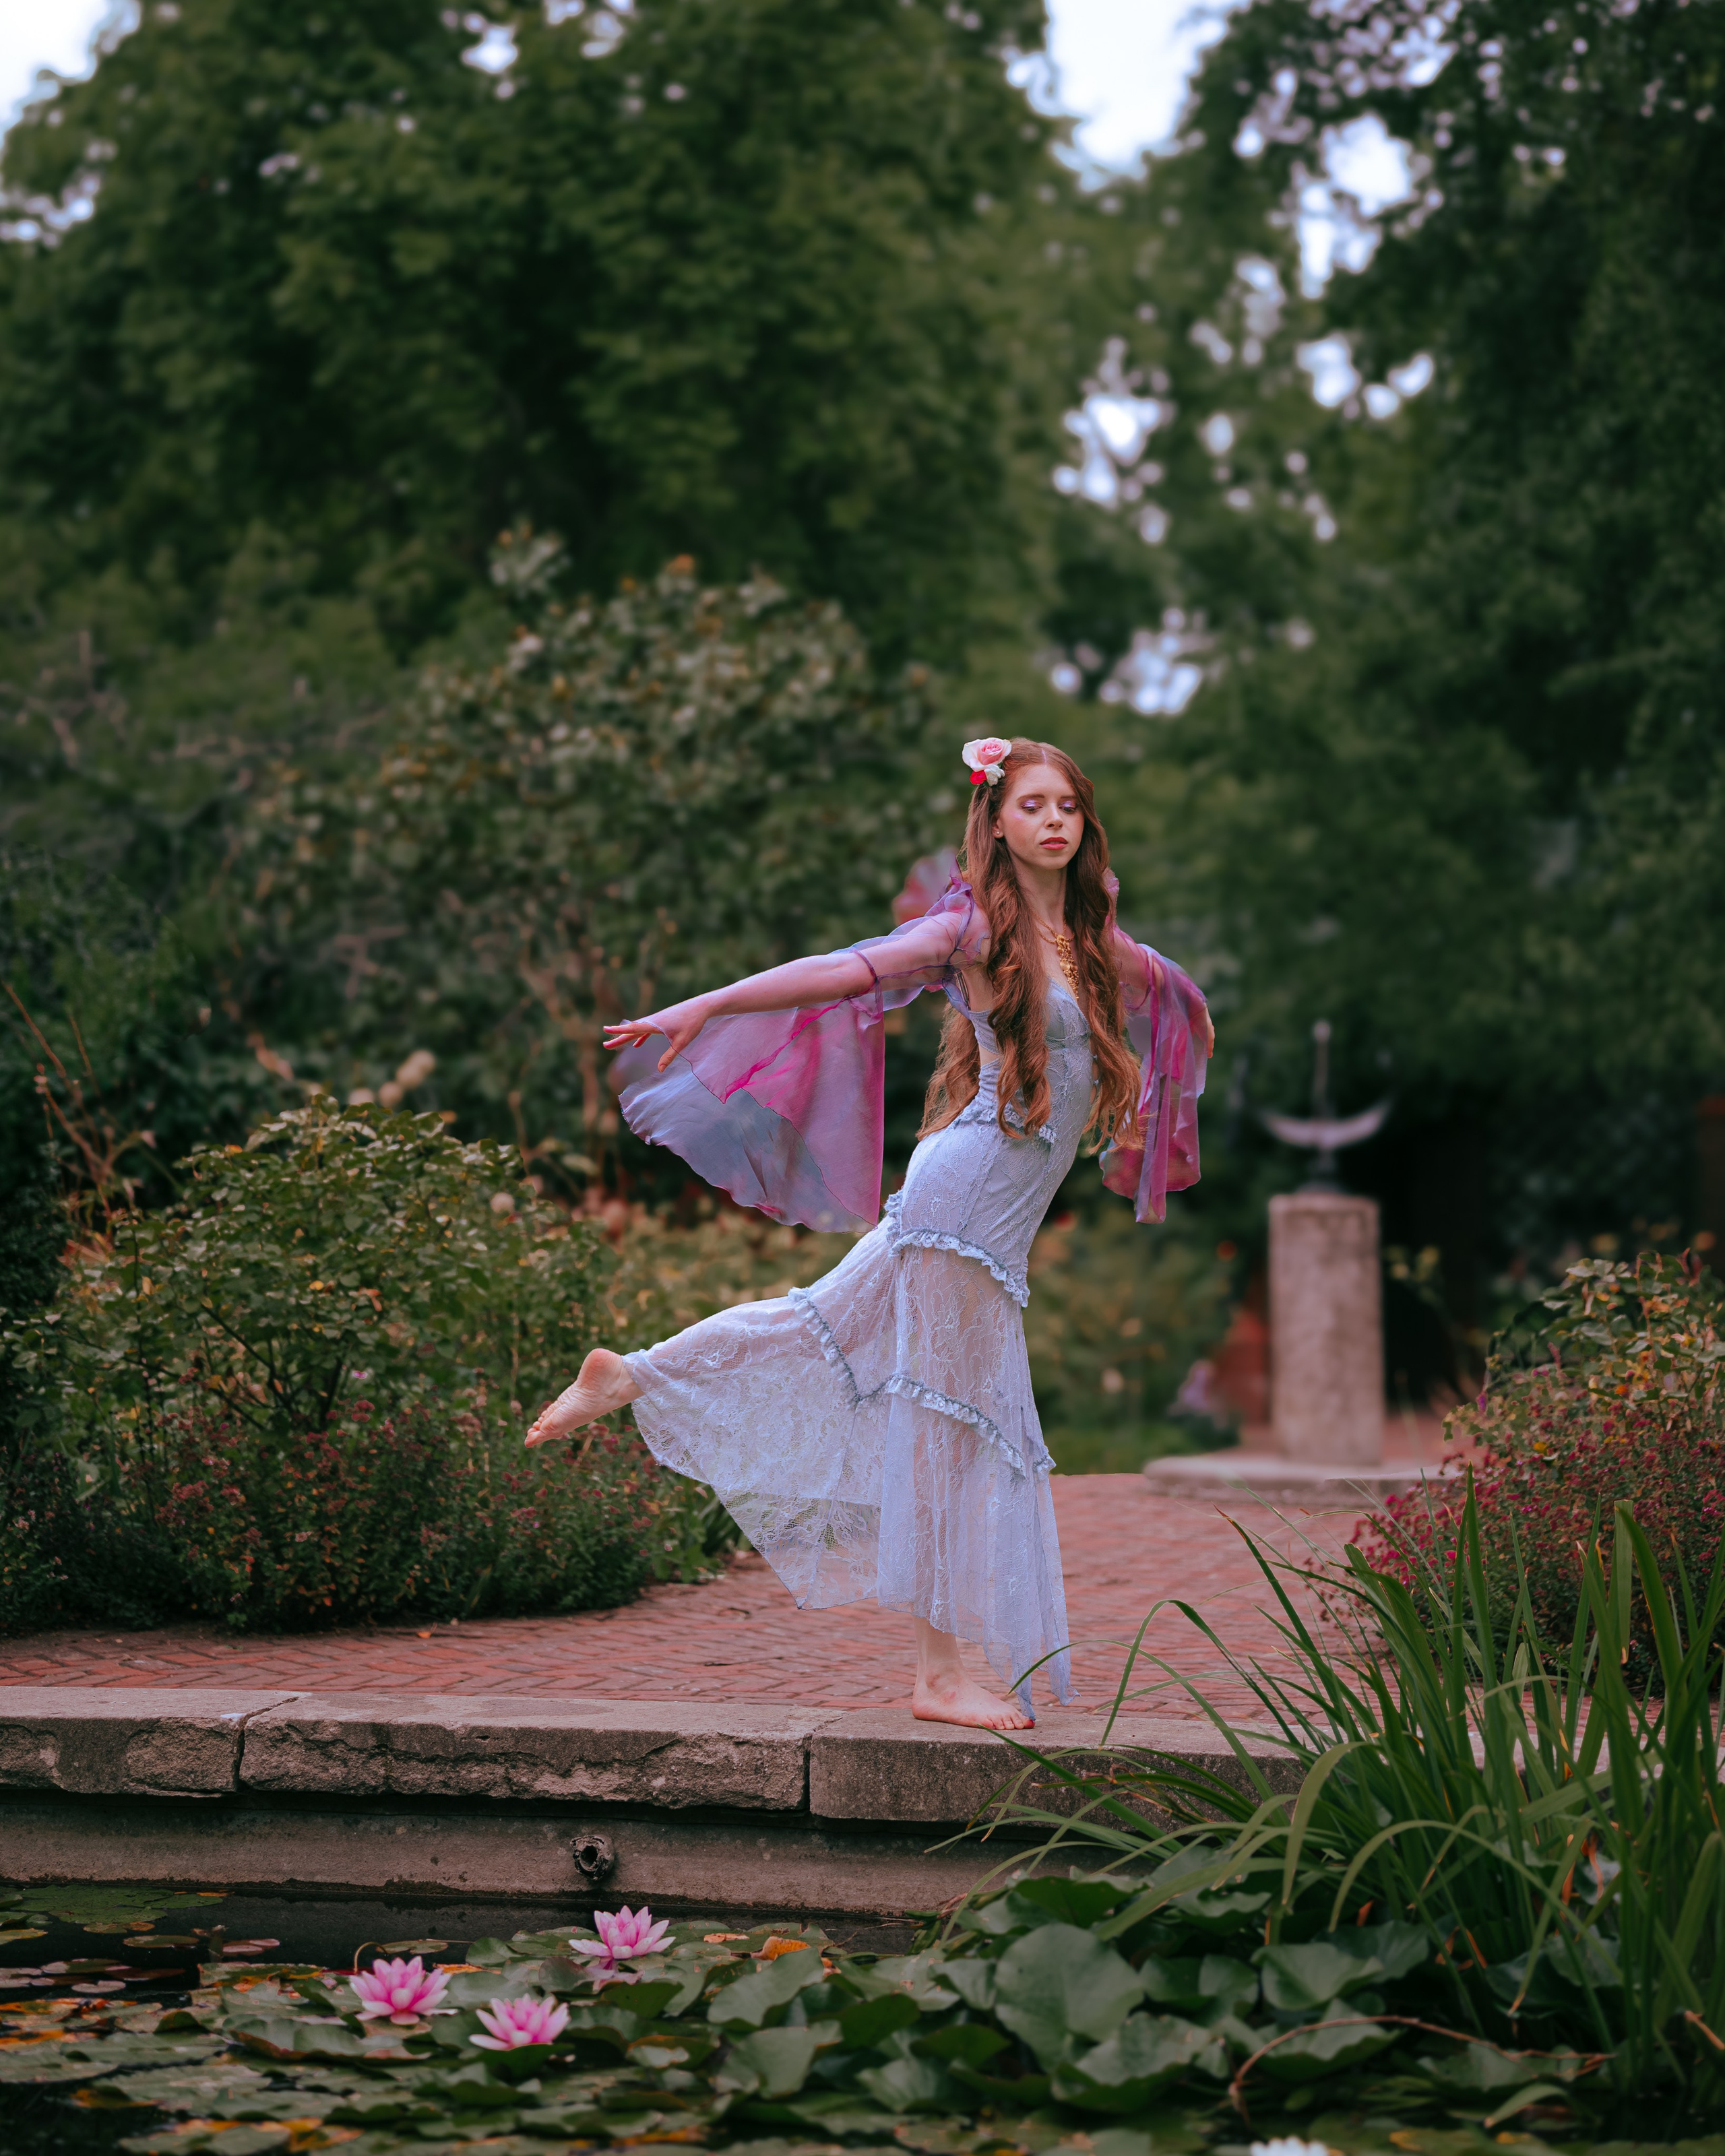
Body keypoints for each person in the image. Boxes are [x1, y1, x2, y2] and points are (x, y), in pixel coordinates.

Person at [526, 737, 1213, 1730]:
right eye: (1032, 806)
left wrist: (1166, 1065)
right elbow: (840, 972)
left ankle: (632, 1374)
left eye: (1068, 805)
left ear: (1085, 823)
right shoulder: (974, 932)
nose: (1053, 821)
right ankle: (938, 1678)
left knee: (821, 1326)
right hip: (967, 1204)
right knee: (948, 1429)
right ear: (997, 822)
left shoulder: (1095, 946)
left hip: (972, 1212)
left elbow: (1175, 999)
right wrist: (715, 1002)